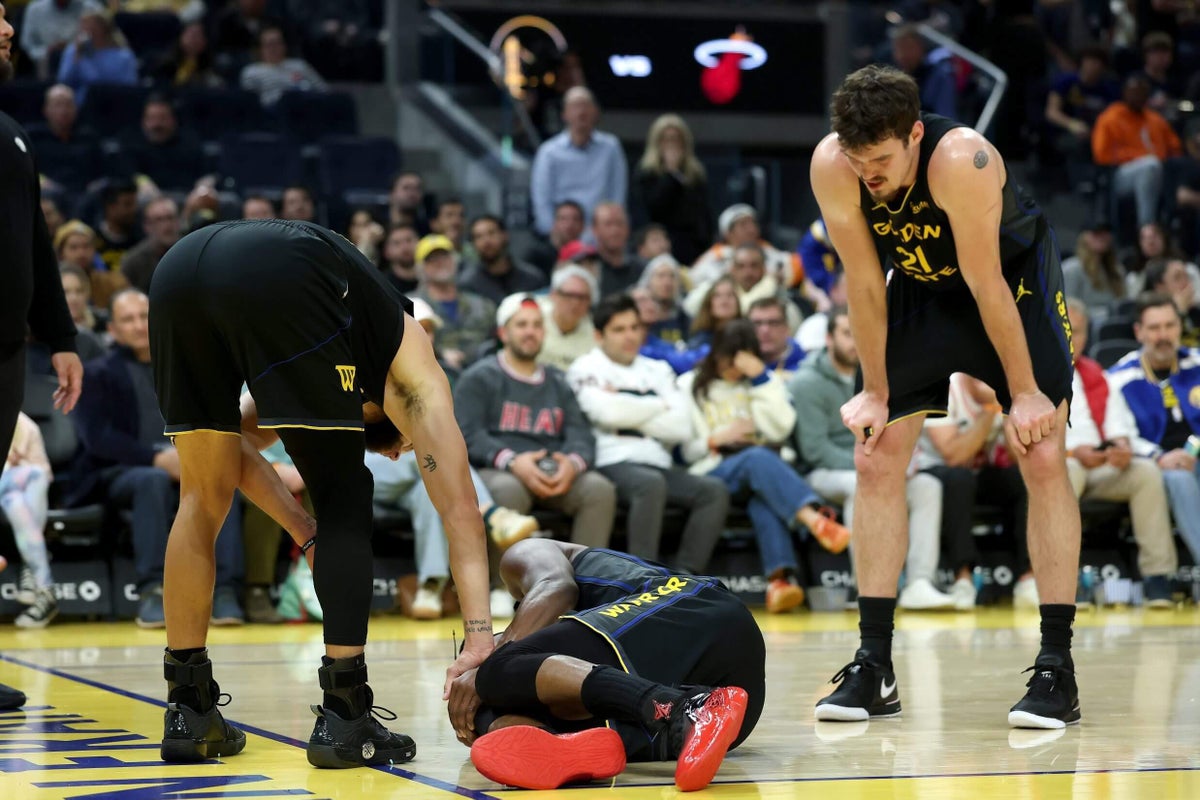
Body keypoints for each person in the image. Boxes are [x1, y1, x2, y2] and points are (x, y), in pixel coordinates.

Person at [148, 218, 494, 766]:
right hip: (285, 267)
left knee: (200, 498)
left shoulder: (344, 336)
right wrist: (480, 639)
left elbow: (238, 438)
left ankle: (189, 712)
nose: (404, 449)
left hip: (179, 267)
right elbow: (462, 513)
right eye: (401, 445)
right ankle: (345, 716)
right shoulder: (416, 371)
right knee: (344, 498)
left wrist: (301, 531)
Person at [809, 65, 1080, 728]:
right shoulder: (834, 166)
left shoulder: (963, 160)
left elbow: (987, 284)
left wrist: (1022, 394)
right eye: (857, 159)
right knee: (874, 456)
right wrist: (875, 391)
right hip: (922, 289)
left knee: (1041, 454)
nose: (868, 175)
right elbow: (865, 285)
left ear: (916, 135)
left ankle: (1056, 669)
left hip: (1009, 284)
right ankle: (874, 666)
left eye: (881, 160)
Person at [449, 539, 762, 792]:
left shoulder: (523, 555)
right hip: (728, 714)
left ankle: (682, 709)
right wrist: (483, 716)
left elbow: (558, 588)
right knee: (494, 703)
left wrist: (486, 667)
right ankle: (568, 749)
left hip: (698, 610)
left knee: (498, 673)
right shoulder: (557, 670)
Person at [0, 0, 84, 710]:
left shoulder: (14, 137)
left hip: (5, 352)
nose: (6, 31)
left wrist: (61, 337)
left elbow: (35, 248)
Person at [680, 320, 851, 613]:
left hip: (763, 476)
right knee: (757, 459)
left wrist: (760, 377)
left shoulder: (761, 382)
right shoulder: (690, 384)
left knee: (764, 493)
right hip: (713, 471)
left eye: (742, 360)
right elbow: (685, 450)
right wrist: (716, 439)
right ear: (716, 354)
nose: (735, 368)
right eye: (729, 358)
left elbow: (782, 428)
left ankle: (779, 582)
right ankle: (814, 520)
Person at [567, 293, 729, 572]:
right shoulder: (585, 367)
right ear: (599, 335)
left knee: (713, 491)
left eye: (634, 327)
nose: (629, 336)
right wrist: (658, 404)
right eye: (619, 330)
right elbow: (606, 413)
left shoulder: (658, 369)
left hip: (657, 463)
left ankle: (685, 577)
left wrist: (624, 404)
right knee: (650, 484)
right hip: (610, 461)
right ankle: (643, 580)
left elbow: (680, 427)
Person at [454, 293, 616, 551]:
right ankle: (501, 587)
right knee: (508, 492)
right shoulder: (479, 377)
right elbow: (468, 434)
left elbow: (581, 433)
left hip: (554, 471)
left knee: (599, 490)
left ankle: (585, 581)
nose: (530, 332)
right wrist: (513, 462)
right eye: (521, 325)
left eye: (537, 325)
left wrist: (571, 465)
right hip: (501, 469)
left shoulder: (558, 381)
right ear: (503, 333)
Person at [1063, 299, 1177, 607]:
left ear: (1087, 336)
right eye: (1066, 330)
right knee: (1066, 473)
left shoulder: (1097, 374)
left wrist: (1121, 450)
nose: (1072, 338)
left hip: (1098, 465)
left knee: (1145, 473)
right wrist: (1073, 453)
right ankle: (1064, 583)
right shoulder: (1034, 373)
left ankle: (1157, 579)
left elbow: (1119, 429)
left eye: (1080, 332)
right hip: (1061, 466)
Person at [1107, 292, 1200, 567]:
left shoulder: (1196, 362)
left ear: (1180, 327)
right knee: (1180, 478)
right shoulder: (1118, 378)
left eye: (1170, 326)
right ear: (1139, 332)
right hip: (1158, 463)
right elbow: (1120, 434)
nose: (1163, 335)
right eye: (1154, 328)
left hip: (1197, 453)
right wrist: (1159, 456)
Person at [530, 87, 627, 239]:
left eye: (586, 106)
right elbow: (542, 202)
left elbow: (617, 198)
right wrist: (556, 238)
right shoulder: (548, 152)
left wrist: (608, 230)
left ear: (595, 112)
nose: (581, 112)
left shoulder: (611, 147)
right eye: (575, 106)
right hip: (560, 237)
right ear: (564, 114)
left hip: (602, 236)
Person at [2, 412, 59, 627]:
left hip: (14, 493)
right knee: (34, 475)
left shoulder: (25, 425)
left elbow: (44, 470)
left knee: (17, 503)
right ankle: (42, 583)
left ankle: (39, 580)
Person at [636, 113, 712, 266]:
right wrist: (671, 174)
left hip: (693, 247)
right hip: (662, 246)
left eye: (676, 139)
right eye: (666, 139)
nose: (672, 144)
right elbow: (654, 208)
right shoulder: (647, 173)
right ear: (656, 142)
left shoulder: (696, 174)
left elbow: (704, 213)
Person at [55, 9, 137, 105]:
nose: (88, 30)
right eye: (84, 25)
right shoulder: (73, 51)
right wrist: (76, 56)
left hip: (115, 103)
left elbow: (130, 85)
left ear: (104, 28)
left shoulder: (124, 56)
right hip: (81, 105)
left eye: (92, 26)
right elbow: (64, 81)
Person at [459, 215, 546, 304]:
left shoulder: (532, 278)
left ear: (504, 235)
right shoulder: (468, 284)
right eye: (478, 236)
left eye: (491, 233)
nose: (486, 241)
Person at [239, 25, 327, 106]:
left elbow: (323, 90)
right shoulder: (251, 71)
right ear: (260, 48)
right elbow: (249, 103)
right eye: (269, 44)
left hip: (303, 110)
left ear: (284, 46)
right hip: (270, 114)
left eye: (277, 43)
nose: (274, 48)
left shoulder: (300, 65)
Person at [121, 196, 181, 293]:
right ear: (147, 226)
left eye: (170, 218)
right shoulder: (133, 262)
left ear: (178, 221)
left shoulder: (192, 253)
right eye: (159, 220)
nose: (167, 225)